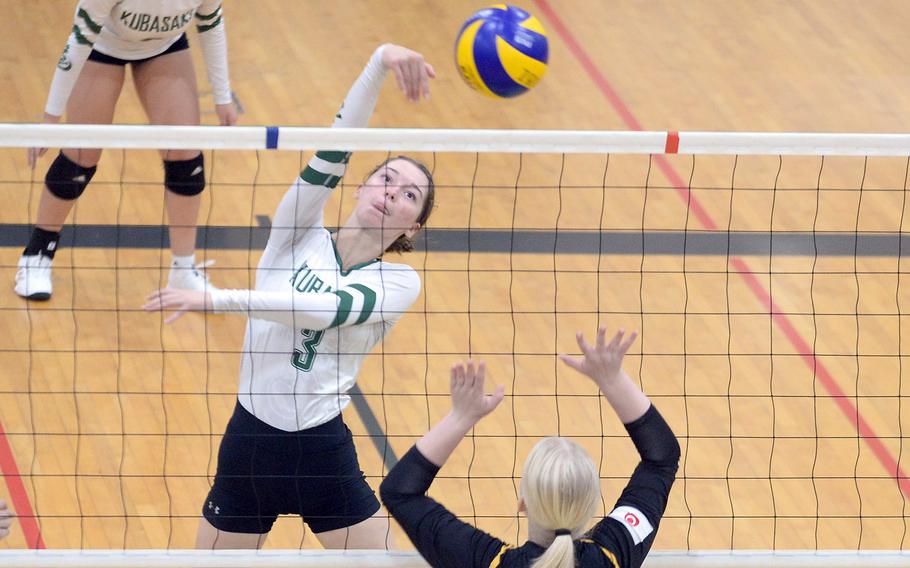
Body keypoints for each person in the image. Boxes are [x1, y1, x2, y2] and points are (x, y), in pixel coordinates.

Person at [144, 43, 436, 549]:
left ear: (413, 226)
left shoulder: (398, 283)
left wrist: (217, 300)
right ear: (360, 184)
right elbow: (336, 142)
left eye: (409, 194)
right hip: (249, 448)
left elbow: (323, 311)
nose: (392, 191)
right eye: (386, 178)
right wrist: (379, 60)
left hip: (321, 455)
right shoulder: (297, 230)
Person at [380, 327, 680, 568]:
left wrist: (461, 417)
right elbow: (661, 458)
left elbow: (400, 492)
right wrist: (613, 380)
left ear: (522, 502)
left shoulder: (488, 561)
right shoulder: (614, 553)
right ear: (592, 505)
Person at [15, 0, 239, 301]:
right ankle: (36, 256)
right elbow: (79, 39)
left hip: (164, 47)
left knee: (186, 156)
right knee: (80, 158)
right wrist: (50, 118)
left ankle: (183, 270)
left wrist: (223, 96)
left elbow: (211, 23)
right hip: (101, 47)